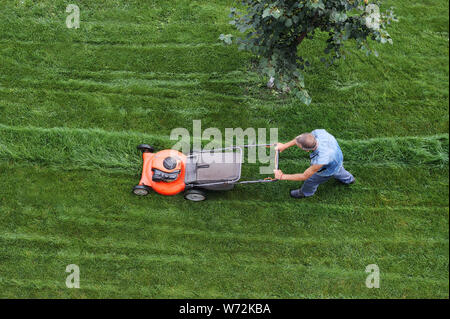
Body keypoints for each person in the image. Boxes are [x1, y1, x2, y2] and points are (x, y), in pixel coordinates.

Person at [274, 129, 355, 198]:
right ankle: (349, 179)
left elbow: (304, 176)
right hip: (337, 158)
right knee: (339, 170)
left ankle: (306, 192)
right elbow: (299, 139)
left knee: (311, 180)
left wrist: (282, 176)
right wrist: (284, 146)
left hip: (328, 168)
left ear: (306, 150)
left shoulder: (320, 160)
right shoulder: (319, 133)